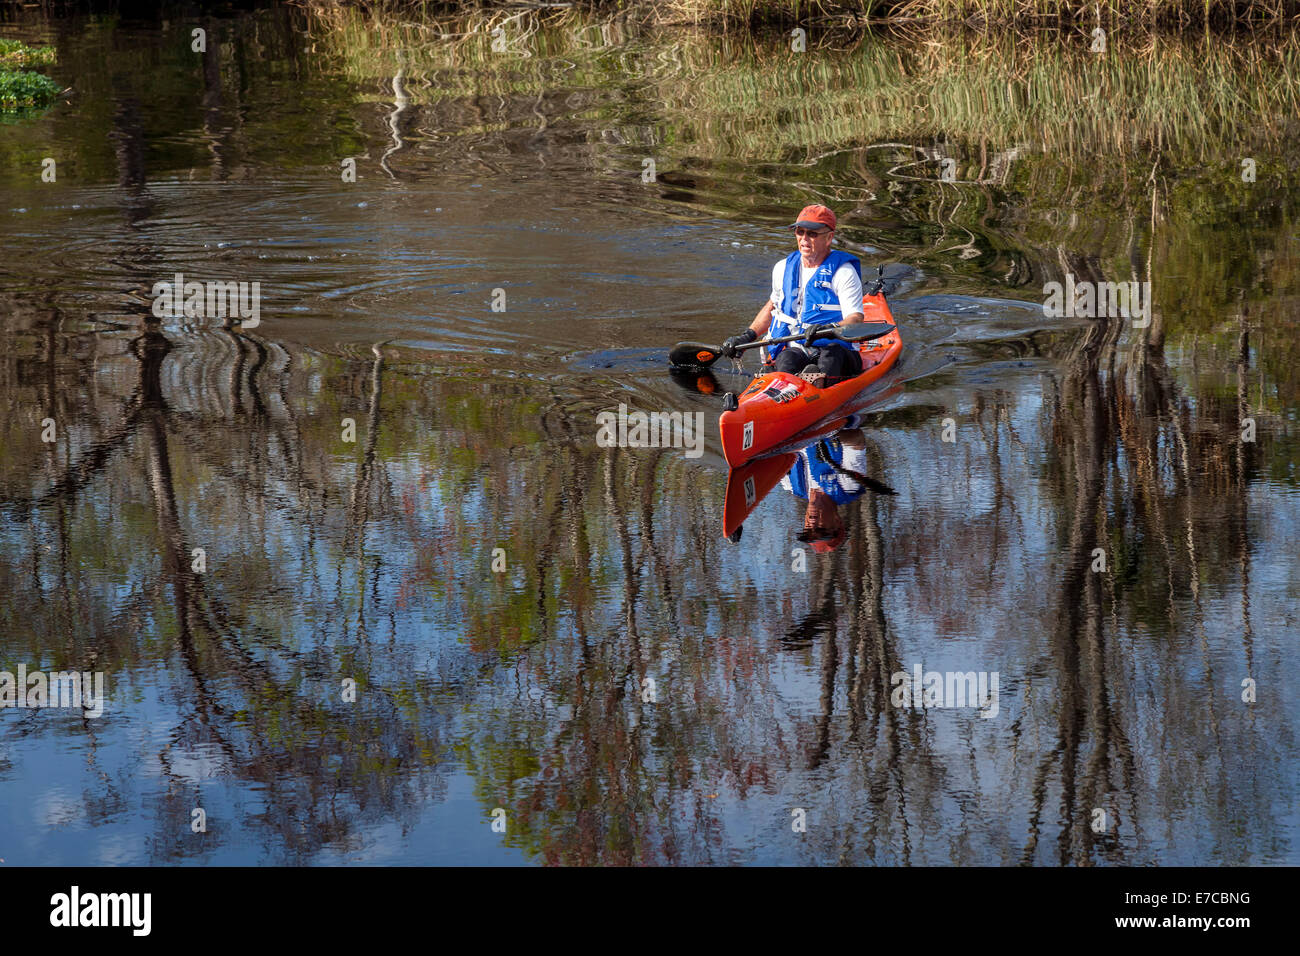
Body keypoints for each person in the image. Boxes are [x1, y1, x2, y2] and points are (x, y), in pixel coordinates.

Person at [721, 204, 865, 389]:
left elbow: (856, 319)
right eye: (799, 232)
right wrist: (746, 337)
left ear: (829, 238)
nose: (804, 239)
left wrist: (830, 328)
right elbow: (773, 307)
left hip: (837, 349)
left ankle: (817, 386)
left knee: (831, 355)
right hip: (798, 347)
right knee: (786, 358)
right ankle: (785, 388)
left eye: (812, 234)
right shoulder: (782, 268)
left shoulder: (844, 272)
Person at [782, 419, 888, 553]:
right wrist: (822, 436)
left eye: (808, 529)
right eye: (821, 528)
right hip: (828, 417)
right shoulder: (848, 486)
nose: (812, 523)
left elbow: (774, 452)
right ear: (837, 522)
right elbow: (857, 439)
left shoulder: (791, 486)